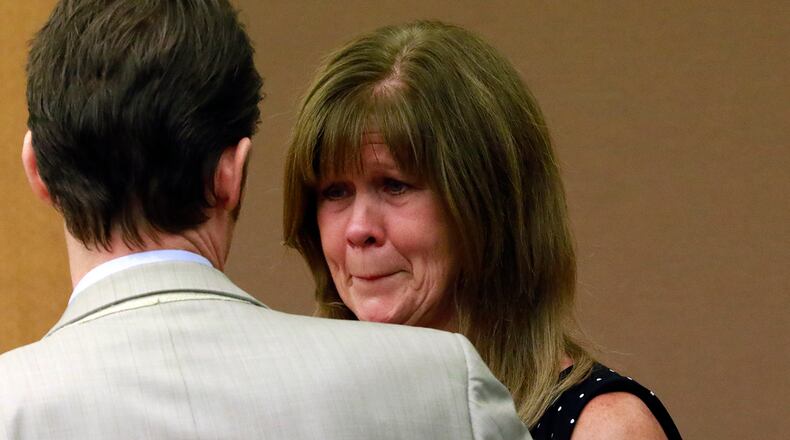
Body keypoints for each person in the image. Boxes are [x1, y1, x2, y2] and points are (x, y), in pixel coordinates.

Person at [0, 4, 530, 439]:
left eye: (395, 185)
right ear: (232, 173)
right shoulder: (444, 387)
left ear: (37, 172)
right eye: (337, 192)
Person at [283, 20, 682, 440]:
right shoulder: (304, 415)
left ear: (487, 204)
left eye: (395, 185)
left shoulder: (605, 429)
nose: (358, 229)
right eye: (335, 191)